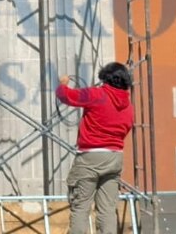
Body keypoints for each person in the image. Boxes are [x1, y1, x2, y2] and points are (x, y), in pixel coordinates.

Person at [56, 62, 135, 234]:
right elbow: (127, 127)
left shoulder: (96, 94)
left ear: (105, 78)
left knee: (80, 207)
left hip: (90, 156)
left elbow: (66, 96)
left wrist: (63, 84)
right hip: (115, 157)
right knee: (107, 209)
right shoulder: (129, 106)